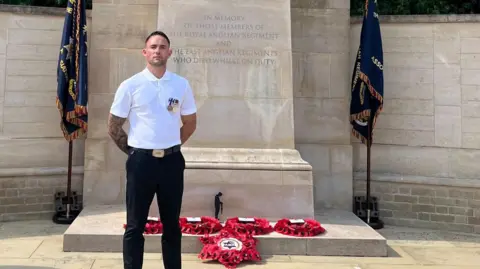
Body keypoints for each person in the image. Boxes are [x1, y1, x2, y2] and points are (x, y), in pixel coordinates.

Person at [107, 30, 197, 269]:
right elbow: (113, 125)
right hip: (141, 163)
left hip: (171, 162)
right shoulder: (131, 85)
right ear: (145, 52)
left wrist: (169, 144)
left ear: (170, 52)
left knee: (172, 225)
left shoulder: (181, 84)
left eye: (162, 46)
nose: (158, 50)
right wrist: (136, 152)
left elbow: (190, 122)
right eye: (153, 46)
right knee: (135, 225)